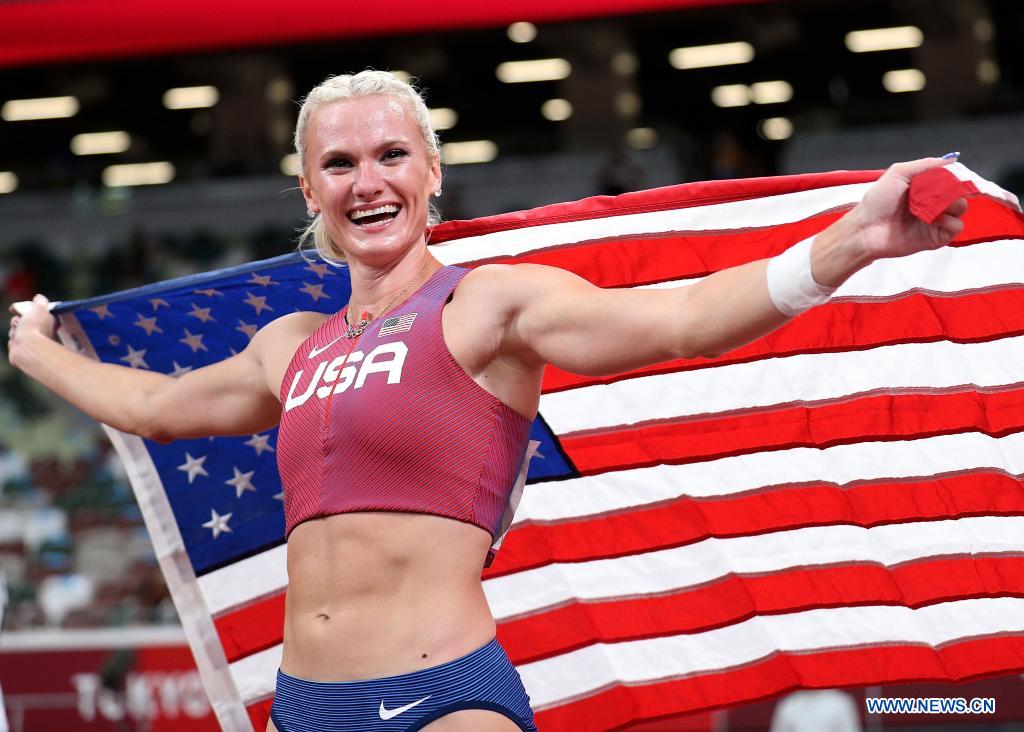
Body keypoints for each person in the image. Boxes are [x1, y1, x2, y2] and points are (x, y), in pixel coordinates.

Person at [6, 71, 967, 731]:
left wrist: (849, 242)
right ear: (309, 190)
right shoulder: (290, 345)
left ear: (432, 172)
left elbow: (681, 321)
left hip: (445, 704)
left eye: (392, 155)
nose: (368, 181)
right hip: (304, 707)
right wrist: (36, 353)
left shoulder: (489, 305)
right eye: (340, 164)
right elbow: (155, 407)